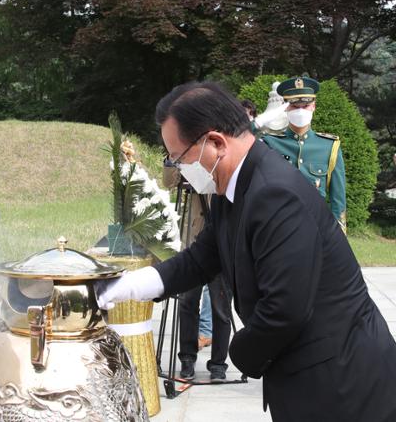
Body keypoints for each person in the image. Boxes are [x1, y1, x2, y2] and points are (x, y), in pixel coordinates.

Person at [96, 81, 396, 422]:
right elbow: (199, 259)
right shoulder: (234, 186)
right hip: (312, 375)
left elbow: (285, 310)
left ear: (215, 143)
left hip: (344, 382)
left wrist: (237, 353)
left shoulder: (273, 194)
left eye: (179, 158)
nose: (178, 168)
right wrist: (126, 287)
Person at [163, 158, 231, 381]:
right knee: (187, 302)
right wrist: (172, 161)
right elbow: (169, 182)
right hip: (193, 238)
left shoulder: (221, 151)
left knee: (221, 306)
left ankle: (219, 363)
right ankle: (187, 358)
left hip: (221, 240)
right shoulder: (189, 150)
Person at [257, 76, 347, 233]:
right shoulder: (269, 143)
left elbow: (337, 199)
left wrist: (338, 237)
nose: (300, 110)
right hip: (278, 229)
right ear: (286, 108)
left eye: (305, 105)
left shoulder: (329, 146)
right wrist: (258, 123)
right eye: (294, 105)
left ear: (314, 106)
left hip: (317, 229)